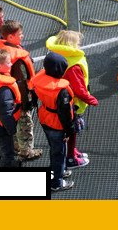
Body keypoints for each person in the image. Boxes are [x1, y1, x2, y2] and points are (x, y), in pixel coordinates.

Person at [0, 20, 42, 160]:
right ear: (10, 37)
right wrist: (27, 102)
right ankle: (26, 151)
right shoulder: (17, 61)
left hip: (5, 98)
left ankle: (12, 146)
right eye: (19, 34)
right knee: (25, 124)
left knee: (11, 125)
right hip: (18, 99)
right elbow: (22, 83)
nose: (22, 36)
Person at [46, 30, 96, 168]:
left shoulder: (55, 57)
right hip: (72, 104)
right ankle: (71, 158)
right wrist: (90, 99)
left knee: (69, 130)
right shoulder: (73, 66)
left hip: (58, 101)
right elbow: (79, 88)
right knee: (72, 131)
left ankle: (72, 151)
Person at [29, 52, 75, 192]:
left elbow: (34, 96)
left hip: (45, 117)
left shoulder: (39, 80)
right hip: (57, 123)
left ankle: (60, 171)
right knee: (58, 152)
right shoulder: (61, 91)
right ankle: (57, 182)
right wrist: (69, 130)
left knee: (55, 147)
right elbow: (65, 114)